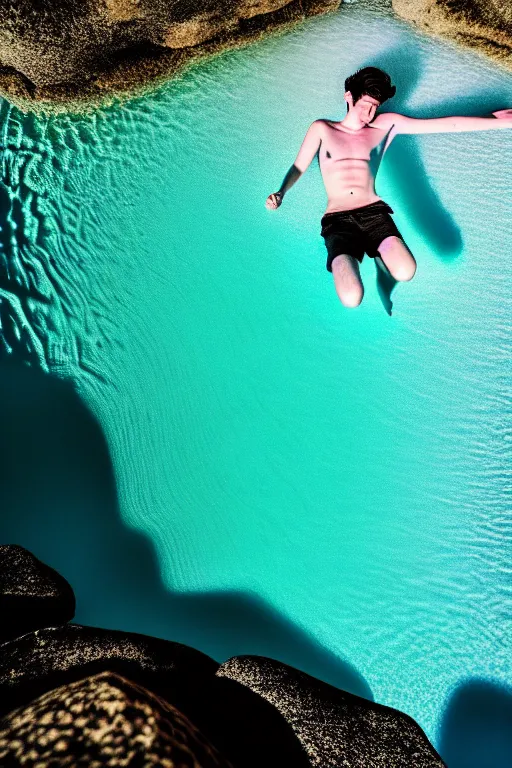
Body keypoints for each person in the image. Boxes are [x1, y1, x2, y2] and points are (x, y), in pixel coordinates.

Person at [266, 66, 512, 309]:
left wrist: (496, 122)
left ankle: (383, 267)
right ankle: (370, 260)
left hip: (374, 212)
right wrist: (281, 192)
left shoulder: (385, 126)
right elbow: (299, 165)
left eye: (375, 106)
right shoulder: (322, 128)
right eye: (365, 105)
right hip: (337, 220)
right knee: (352, 298)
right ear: (348, 97)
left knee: (407, 271)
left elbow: (445, 125)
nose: (369, 113)